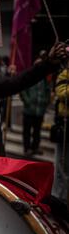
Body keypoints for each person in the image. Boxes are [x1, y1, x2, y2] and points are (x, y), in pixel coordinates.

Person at [20, 53, 52, 157]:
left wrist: (46, 101)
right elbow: (22, 90)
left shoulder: (45, 79)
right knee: (27, 130)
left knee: (37, 130)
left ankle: (35, 147)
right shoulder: (29, 76)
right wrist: (27, 101)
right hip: (29, 109)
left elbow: (48, 91)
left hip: (40, 110)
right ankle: (27, 148)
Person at [52, 60, 69, 205]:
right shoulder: (64, 74)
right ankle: (60, 199)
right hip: (65, 127)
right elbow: (62, 93)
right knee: (62, 166)